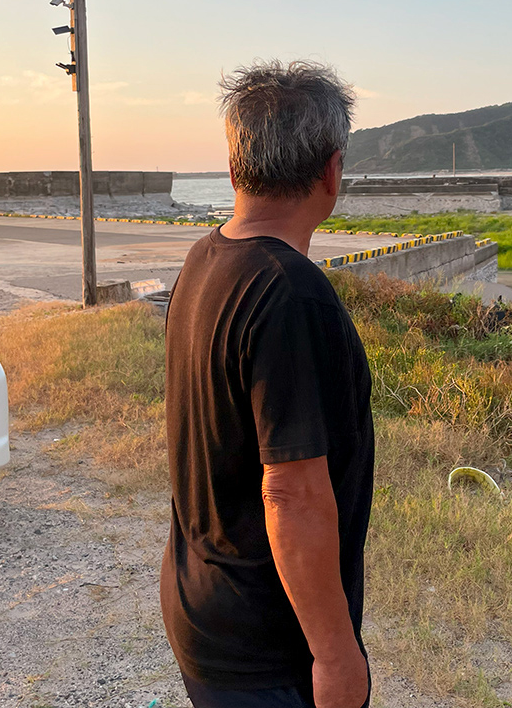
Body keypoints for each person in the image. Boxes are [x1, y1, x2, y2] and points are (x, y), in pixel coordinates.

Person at [160, 60, 375, 708]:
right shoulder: (292, 296)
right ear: (332, 172)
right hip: (265, 654)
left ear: (234, 170)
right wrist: (335, 656)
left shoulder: (204, 259)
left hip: (201, 608)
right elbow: (292, 493)